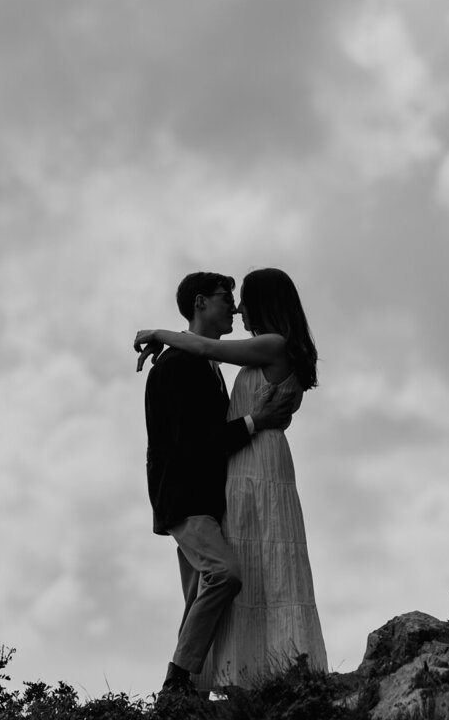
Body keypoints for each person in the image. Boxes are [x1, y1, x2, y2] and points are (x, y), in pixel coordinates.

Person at [135, 266, 327, 691]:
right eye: (227, 298)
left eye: (242, 299)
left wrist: (160, 333)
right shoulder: (181, 366)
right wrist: (255, 421)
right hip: (192, 494)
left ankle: (187, 687)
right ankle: (185, 683)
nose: (237, 308)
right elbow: (185, 442)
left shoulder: (246, 352)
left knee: (217, 584)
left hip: (234, 479)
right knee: (222, 579)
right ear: (201, 303)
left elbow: (205, 355)